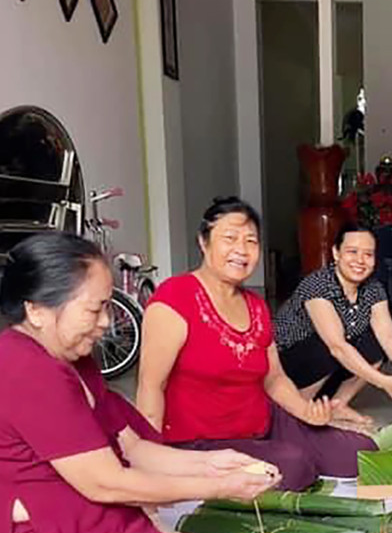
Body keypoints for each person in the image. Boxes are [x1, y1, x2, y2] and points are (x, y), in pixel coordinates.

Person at [0, 233, 279, 533]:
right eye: (95, 310)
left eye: (107, 307)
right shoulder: (25, 369)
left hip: (79, 518)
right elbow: (106, 481)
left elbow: (132, 447)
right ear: (37, 310)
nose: (106, 323)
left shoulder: (72, 356)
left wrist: (214, 462)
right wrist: (219, 487)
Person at [136, 196, 373, 491]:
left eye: (251, 241)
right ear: (203, 241)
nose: (241, 249)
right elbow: (150, 386)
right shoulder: (175, 299)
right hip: (203, 441)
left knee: (363, 454)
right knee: (295, 467)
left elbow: (274, 378)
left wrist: (304, 411)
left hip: (263, 422)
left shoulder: (255, 305)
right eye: (230, 238)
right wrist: (150, 462)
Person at [274, 224, 392, 427]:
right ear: (336, 253)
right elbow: (337, 346)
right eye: (352, 252)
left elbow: (388, 336)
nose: (360, 261)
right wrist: (385, 382)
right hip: (286, 369)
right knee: (327, 347)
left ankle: (337, 405)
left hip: (327, 369)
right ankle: (297, 407)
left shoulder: (373, 287)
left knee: (374, 344)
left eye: (368, 254)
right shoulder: (318, 284)